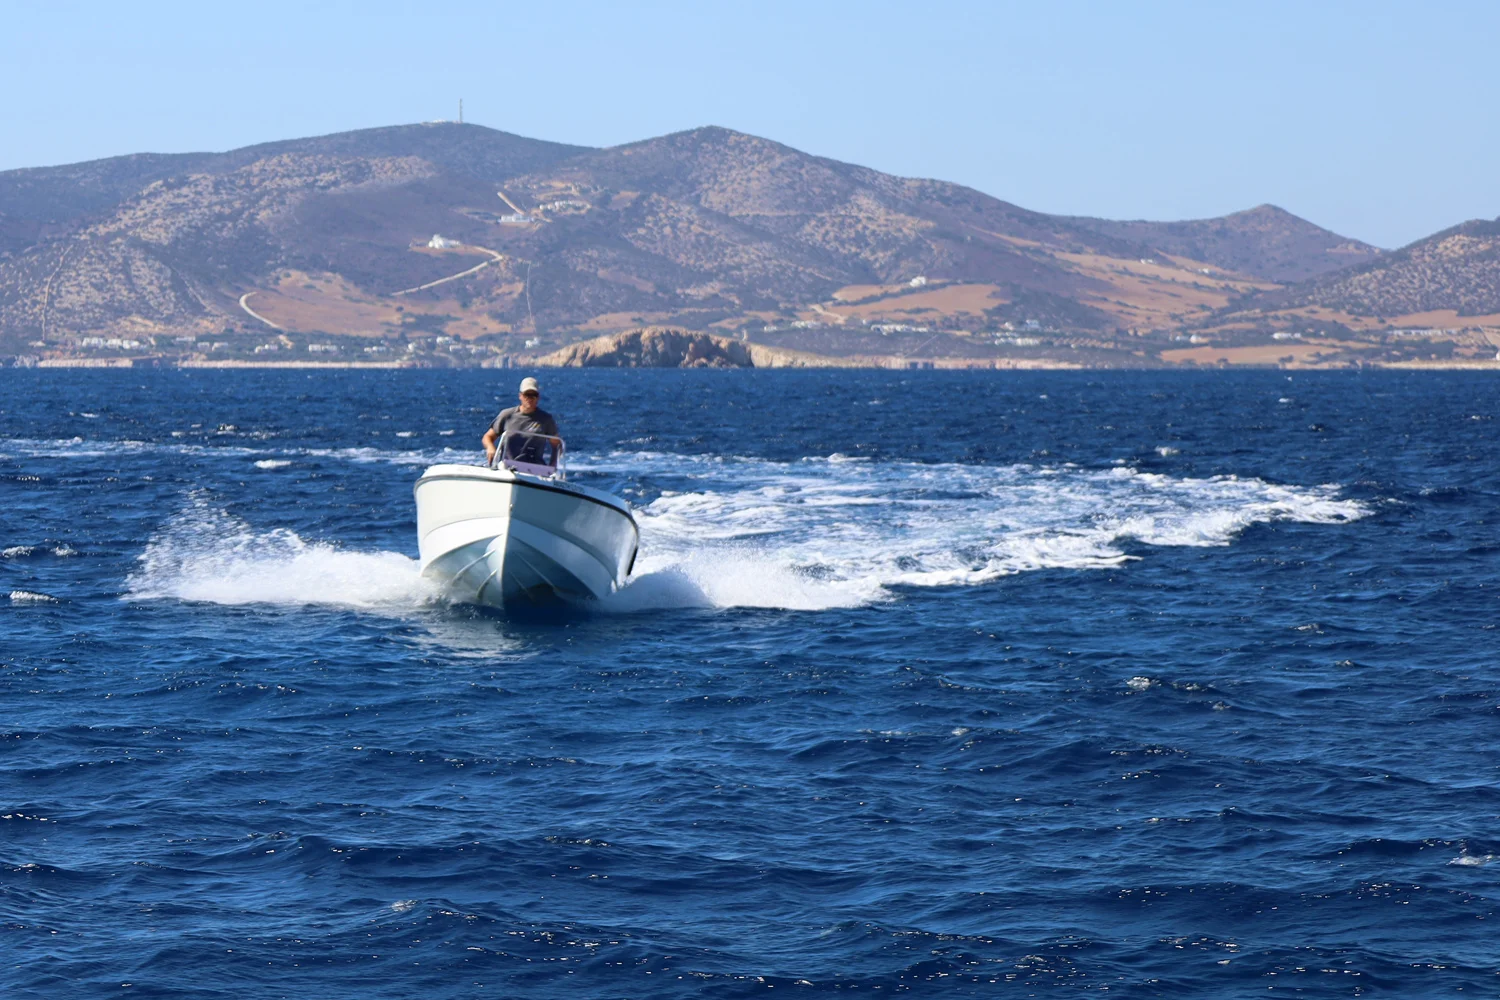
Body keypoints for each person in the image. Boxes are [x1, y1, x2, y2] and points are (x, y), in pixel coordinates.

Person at [482, 376, 560, 468]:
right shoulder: (507, 415)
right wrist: (490, 448)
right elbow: (487, 437)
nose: (530, 398)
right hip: (508, 467)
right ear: (520, 396)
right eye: (527, 395)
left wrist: (552, 465)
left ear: (538, 397)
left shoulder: (546, 419)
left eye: (533, 395)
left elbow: (557, 444)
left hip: (535, 470)